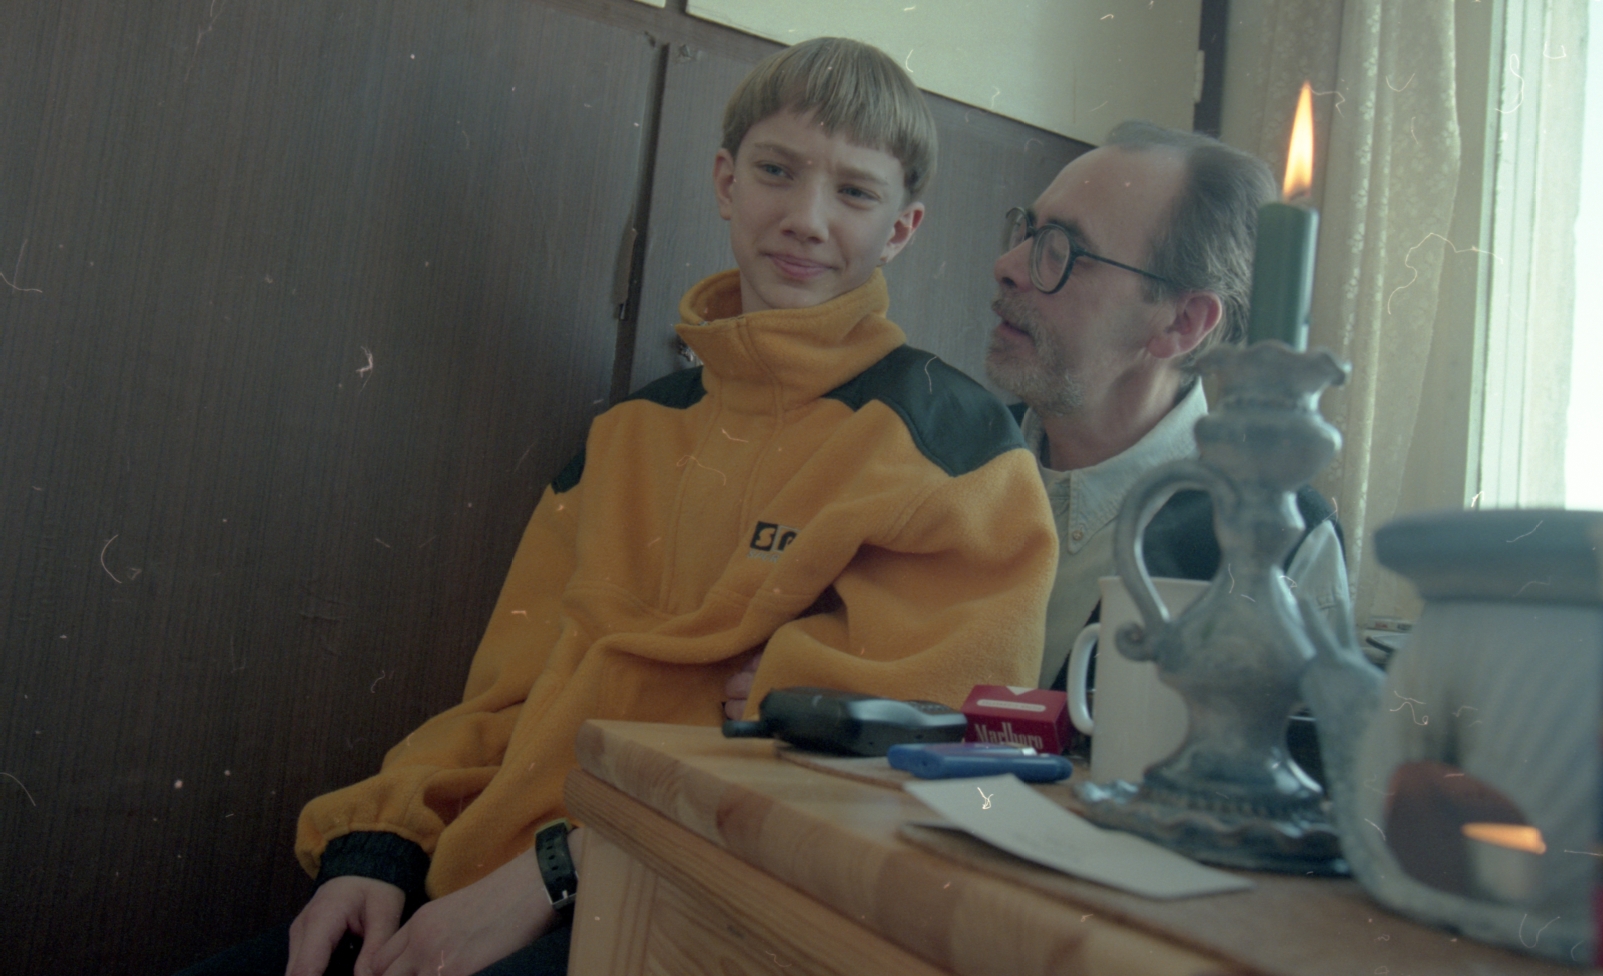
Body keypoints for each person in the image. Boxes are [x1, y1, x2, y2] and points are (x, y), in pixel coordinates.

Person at [180, 37, 1056, 976]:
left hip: (692, 908)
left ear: (902, 228)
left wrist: (561, 870)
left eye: (854, 191)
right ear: (725, 181)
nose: (806, 219)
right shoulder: (626, 436)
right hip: (482, 881)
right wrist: (380, 847)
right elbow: (510, 696)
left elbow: (911, 761)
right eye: (776, 171)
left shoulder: (952, 445)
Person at [984, 120, 1351, 692]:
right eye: (1027, 231)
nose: (1008, 265)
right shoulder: (950, 459)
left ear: (1182, 323)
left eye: (1062, 250)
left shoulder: (1283, 536)